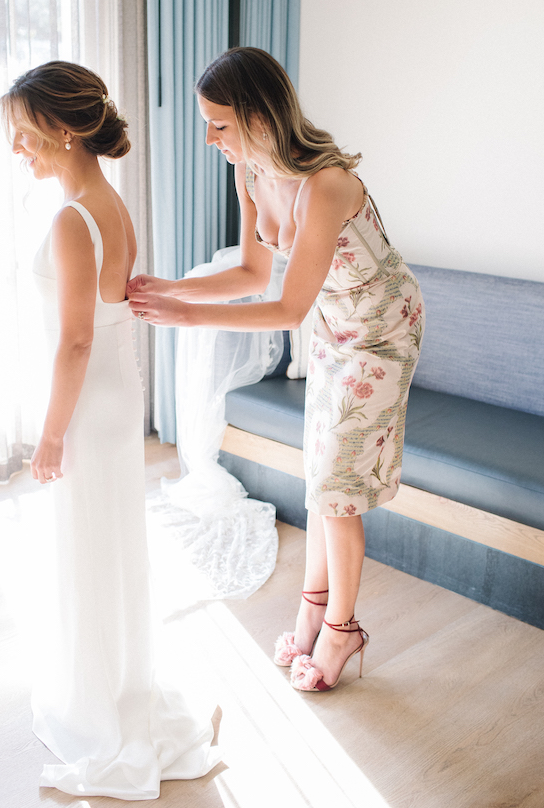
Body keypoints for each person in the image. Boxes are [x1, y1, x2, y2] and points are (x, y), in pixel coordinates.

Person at [127, 47, 425, 693]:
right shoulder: (253, 174)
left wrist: (188, 316)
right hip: (331, 325)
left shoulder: (328, 182)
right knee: (320, 475)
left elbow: (287, 307)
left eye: (220, 124)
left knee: (337, 490)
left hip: (377, 333)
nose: (210, 137)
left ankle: (343, 632)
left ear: (262, 117)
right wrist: (174, 288)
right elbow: (252, 275)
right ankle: (313, 610)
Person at [0, 61, 219, 798]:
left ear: (63, 130)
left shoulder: (71, 218)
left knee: (88, 553)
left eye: (25, 136)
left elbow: (75, 341)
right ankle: (117, 687)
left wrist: (52, 434)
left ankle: (100, 709)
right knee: (112, 548)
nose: (19, 150)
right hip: (121, 398)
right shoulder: (110, 204)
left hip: (91, 406)